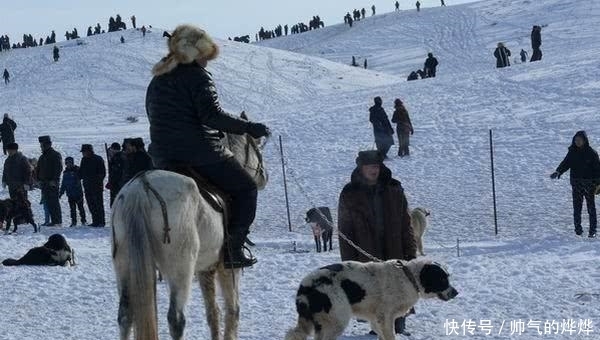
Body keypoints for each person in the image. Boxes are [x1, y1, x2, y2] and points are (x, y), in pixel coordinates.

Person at [145, 24, 270, 268]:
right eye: (204, 54)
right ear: (195, 53)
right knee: (246, 188)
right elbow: (211, 116)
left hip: (163, 156)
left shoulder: (157, 79)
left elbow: (153, 115)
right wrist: (248, 127)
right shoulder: (197, 76)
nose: (207, 60)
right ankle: (233, 249)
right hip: (201, 152)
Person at [338, 150, 416, 336]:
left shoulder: (394, 188)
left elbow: (406, 224)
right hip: (365, 250)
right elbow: (345, 231)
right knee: (374, 291)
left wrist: (411, 253)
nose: (374, 170)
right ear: (361, 168)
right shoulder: (350, 193)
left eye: (376, 166)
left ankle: (399, 323)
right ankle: (377, 326)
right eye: (370, 166)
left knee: (398, 288)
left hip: (395, 247)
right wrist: (349, 264)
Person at [551, 131, 600, 238]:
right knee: (577, 208)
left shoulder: (592, 153)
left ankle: (593, 231)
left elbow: (598, 170)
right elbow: (565, 163)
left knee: (591, 208)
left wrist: (598, 184)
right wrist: (558, 171)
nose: (577, 142)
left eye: (579, 140)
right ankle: (578, 230)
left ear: (584, 141)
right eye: (575, 140)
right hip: (576, 184)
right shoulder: (572, 152)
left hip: (589, 185)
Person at [36, 136, 62, 226]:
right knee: (48, 202)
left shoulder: (55, 155)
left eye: (42, 145)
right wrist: (38, 180)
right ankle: (54, 221)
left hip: (52, 183)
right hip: (44, 183)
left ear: (48, 145)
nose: (41, 147)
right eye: (41, 145)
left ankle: (57, 221)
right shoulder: (42, 157)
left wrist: (54, 180)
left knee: (54, 202)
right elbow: (38, 169)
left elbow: (58, 168)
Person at [79, 144, 106, 227]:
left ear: (89, 151)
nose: (83, 153)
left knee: (98, 204)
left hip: (96, 186)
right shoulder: (83, 160)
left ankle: (101, 221)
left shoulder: (98, 159)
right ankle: (95, 221)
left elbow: (102, 173)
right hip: (87, 186)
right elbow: (81, 172)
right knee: (91, 204)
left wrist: (96, 180)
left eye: (84, 152)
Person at [59, 157, 86, 227]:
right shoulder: (65, 172)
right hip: (70, 194)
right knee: (72, 209)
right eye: (67, 163)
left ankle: (83, 220)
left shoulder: (76, 170)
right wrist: (61, 192)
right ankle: (73, 221)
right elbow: (63, 183)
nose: (68, 164)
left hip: (78, 193)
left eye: (70, 162)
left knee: (80, 208)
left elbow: (80, 176)